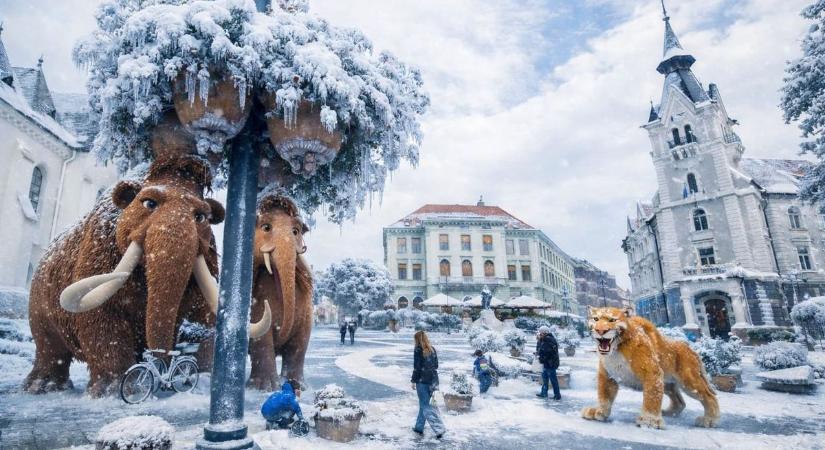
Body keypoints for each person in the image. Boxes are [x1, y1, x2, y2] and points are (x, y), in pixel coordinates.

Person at [410, 330, 445, 438]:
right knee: (424, 404)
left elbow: (417, 367)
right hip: (433, 380)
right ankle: (419, 427)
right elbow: (436, 365)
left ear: (417, 339)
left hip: (422, 381)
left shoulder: (418, 350)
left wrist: (413, 381)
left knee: (426, 406)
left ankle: (439, 429)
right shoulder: (432, 349)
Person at [536, 325, 561, 400]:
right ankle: (544, 393)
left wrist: (541, 357)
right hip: (546, 363)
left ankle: (557, 395)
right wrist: (539, 341)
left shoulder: (549, 340)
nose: (539, 334)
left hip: (550, 363)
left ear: (544, 333)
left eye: (540, 333)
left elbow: (547, 352)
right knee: (545, 379)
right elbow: (540, 349)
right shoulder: (544, 339)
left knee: (553, 380)